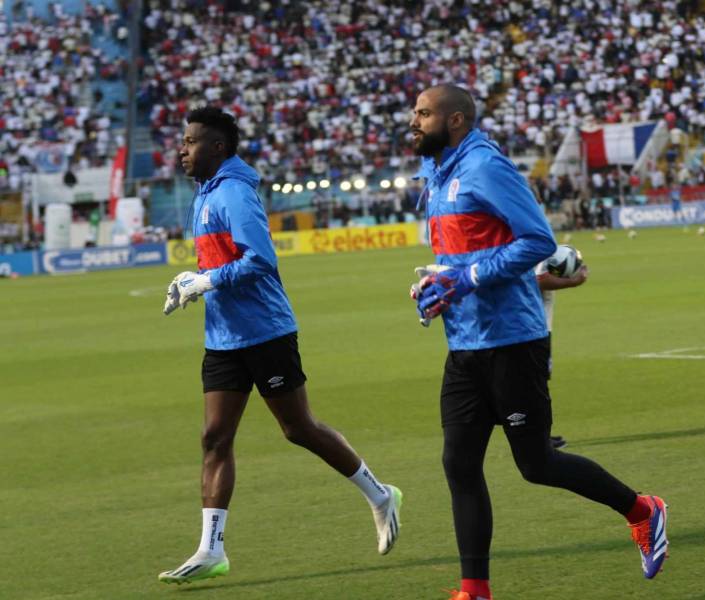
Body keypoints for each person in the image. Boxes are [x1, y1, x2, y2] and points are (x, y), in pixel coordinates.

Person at [408, 85, 668, 600]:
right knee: (458, 463)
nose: (413, 121)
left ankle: (643, 510)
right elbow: (460, 260)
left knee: (537, 465)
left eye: (423, 113)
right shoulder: (436, 174)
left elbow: (538, 241)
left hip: (512, 340)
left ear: (455, 119)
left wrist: (468, 278)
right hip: (464, 343)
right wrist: (435, 288)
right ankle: (474, 590)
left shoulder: (485, 166)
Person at [158, 107, 402, 585]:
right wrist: (192, 281)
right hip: (223, 337)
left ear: (218, 148)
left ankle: (380, 494)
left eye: (190, 142)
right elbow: (219, 262)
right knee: (214, 437)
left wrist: (206, 280)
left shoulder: (233, 192)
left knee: (298, 428)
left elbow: (261, 261)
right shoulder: (206, 193)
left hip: (266, 331)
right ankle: (211, 550)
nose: (181, 150)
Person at [535, 258, 591, 449]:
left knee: (536, 384)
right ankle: (538, 438)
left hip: (536, 329)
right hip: (535, 330)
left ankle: (540, 436)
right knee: (536, 385)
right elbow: (539, 280)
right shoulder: (537, 248)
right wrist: (574, 281)